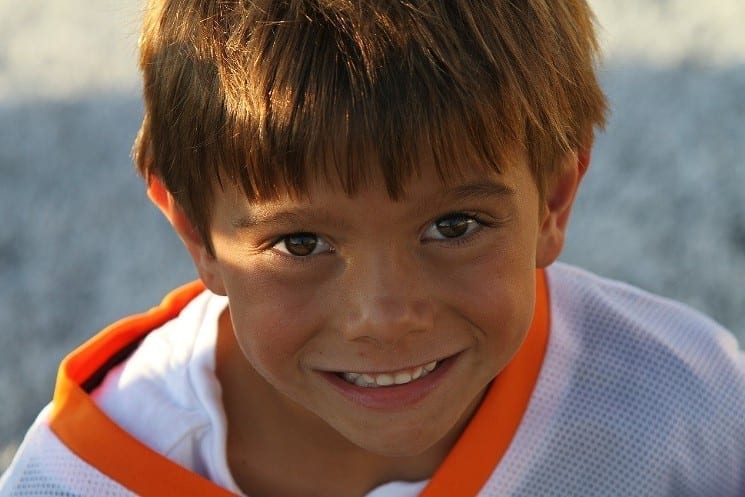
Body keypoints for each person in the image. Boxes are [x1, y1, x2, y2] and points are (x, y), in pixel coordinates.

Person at [1, 0, 743, 495]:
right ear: (195, 228)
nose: (384, 316)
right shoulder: (77, 480)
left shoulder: (682, 404)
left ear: (553, 199)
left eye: (453, 226)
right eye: (301, 242)